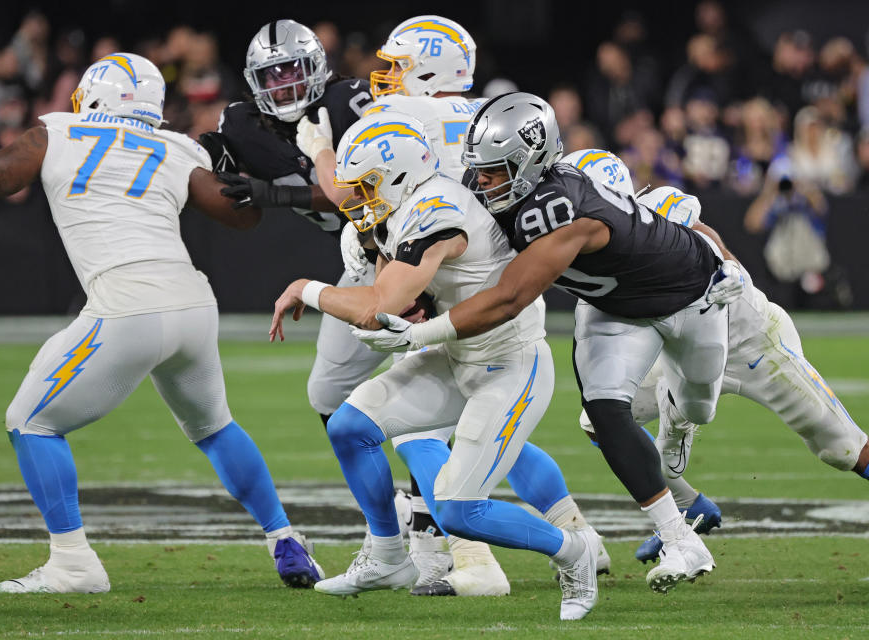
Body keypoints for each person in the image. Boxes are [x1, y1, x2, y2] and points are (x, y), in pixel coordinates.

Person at [0, 52, 323, 593]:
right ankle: (284, 538)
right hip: (192, 304)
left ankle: (73, 561)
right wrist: (236, 163)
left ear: (92, 96)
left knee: (30, 421)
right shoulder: (174, 147)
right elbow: (239, 215)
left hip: (128, 303)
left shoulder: (59, 130)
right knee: (215, 427)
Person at [353, 92, 746, 594]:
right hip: (615, 310)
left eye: (497, 171)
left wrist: (728, 263)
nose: (483, 181)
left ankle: (678, 420)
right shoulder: (498, 186)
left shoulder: (564, 205)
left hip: (689, 300)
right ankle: (681, 539)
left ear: (532, 161)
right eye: (482, 169)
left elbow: (510, 297)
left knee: (698, 405)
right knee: (603, 409)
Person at [299, 15, 611, 598]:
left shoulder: (397, 123)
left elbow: (347, 191)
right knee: (392, 424)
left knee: (400, 425)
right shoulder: (490, 116)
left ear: (428, 68)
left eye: (397, 67)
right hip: (470, 281)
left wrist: (316, 149)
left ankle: (466, 558)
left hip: (439, 287)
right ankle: (572, 531)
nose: (385, 79)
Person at [569, 151, 869, 561]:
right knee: (600, 421)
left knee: (844, 448)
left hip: (752, 344)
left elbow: (704, 234)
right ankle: (688, 507)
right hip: (678, 350)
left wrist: (728, 267)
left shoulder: (657, 212)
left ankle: (679, 417)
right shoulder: (585, 244)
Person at [196, 20, 377, 431]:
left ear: (316, 66)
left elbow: (363, 192)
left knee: (427, 398)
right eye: (272, 76)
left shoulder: (349, 101)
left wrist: (274, 194)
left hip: (410, 253)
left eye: (294, 71)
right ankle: (385, 498)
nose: (284, 85)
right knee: (327, 392)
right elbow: (229, 187)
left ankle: (432, 494)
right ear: (253, 82)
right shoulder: (243, 125)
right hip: (364, 266)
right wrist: (208, 157)